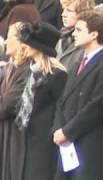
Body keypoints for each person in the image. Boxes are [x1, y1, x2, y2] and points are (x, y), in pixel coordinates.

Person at [52, 11, 103, 180]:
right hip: (68, 144)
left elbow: (97, 106)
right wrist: (59, 129)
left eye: (79, 30)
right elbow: (62, 100)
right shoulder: (76, 64)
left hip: (89, 143)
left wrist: (67, 131)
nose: (74, 33)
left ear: (94, 34)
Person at [0, 21, 67, 180]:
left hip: (42, 137)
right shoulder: (31, 70)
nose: (25, 45)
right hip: (25, 134)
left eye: (29, 43)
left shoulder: (56, 74)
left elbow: (60, 105)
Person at [55, 0, 95, 71]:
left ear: (82, 13)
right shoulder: (62, 35)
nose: (63, 14)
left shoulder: (88, 40)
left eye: (69, 11)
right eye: (64, 10)